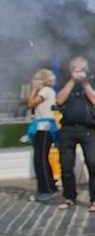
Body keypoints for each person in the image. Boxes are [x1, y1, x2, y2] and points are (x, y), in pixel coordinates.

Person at [55, 56, 95, 212]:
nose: (78, 72)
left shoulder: (93, 82)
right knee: (66, 165)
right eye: (75, 69)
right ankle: (69, 196)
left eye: (81, 69)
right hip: (68, 129)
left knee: (93, 164)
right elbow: (60, 100)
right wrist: (72, 80)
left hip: (87, 128)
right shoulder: (66, 82)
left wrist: (84, 82)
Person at [27, 68, 58, 203]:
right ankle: (49, 185)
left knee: (40, 159)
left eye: (36, 79)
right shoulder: (47, 91)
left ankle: (45, 189)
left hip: (44, 128)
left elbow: (31, 103)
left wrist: (33, 90)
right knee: (41, 158)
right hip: (41, 127)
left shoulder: (45, 91)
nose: (34, 81)